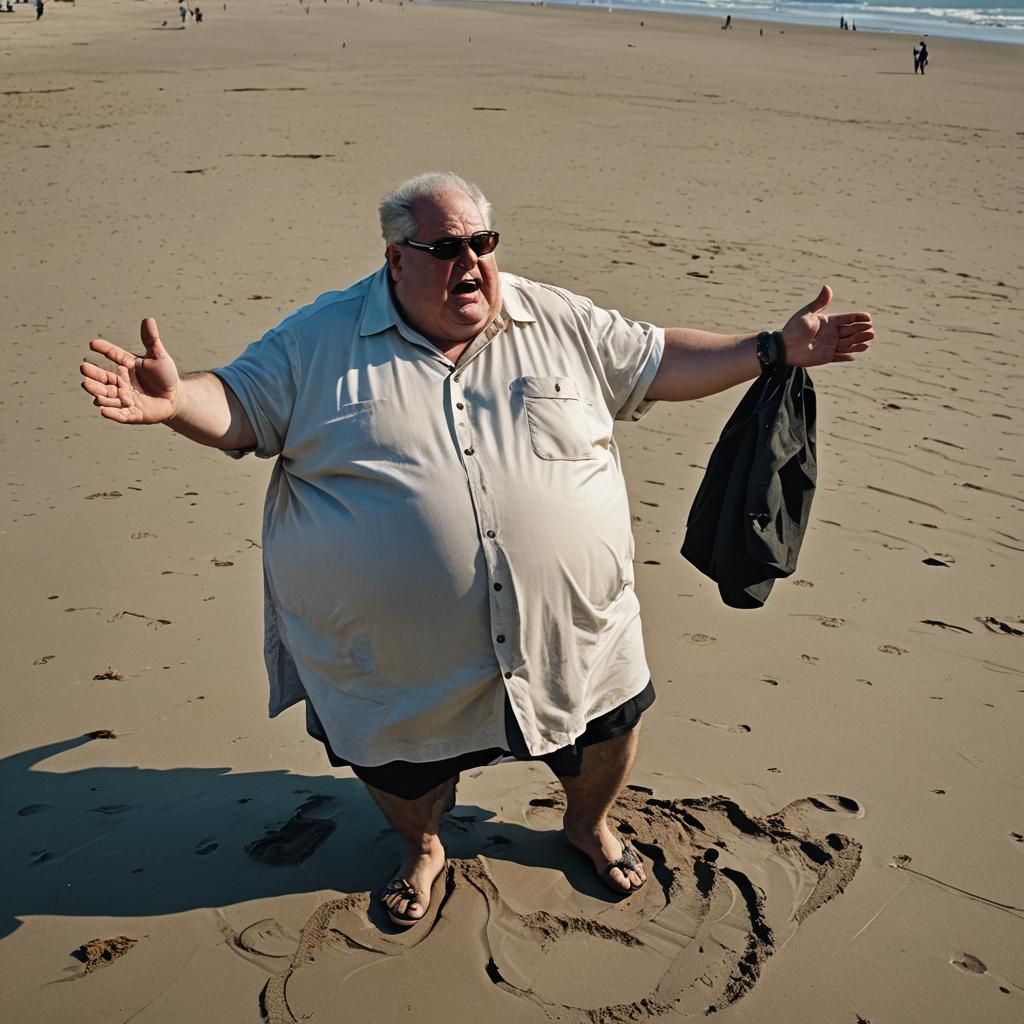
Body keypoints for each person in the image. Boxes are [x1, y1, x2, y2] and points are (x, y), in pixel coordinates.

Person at [79, 172, 873, 927]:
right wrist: (179, 400)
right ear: (396, 258)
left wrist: (772, 348)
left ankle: (587, 826)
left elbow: (659, 358)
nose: (471, 263)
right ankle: (423, 847)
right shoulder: (318, 340)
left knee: (606, 734)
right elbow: (243, 406)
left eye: (483, 243)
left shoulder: (557, 320)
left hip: (572, 637)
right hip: (392, 662)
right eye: (446, 248)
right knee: (401, 769)